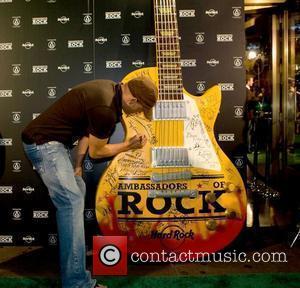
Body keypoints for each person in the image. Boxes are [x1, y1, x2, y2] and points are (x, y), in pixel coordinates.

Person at [21, 77, 158, 288]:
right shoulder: (106, 109)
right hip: (44, 144)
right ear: (133, 100)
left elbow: (87, 131)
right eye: (140, 108)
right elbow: (97, 152)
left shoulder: (109, 90)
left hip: (55, 144)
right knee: (72, 201)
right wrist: (128, 146)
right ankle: (77, 283)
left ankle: (75, 252)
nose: (138, 113)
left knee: (79, 187)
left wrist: (77, 164)